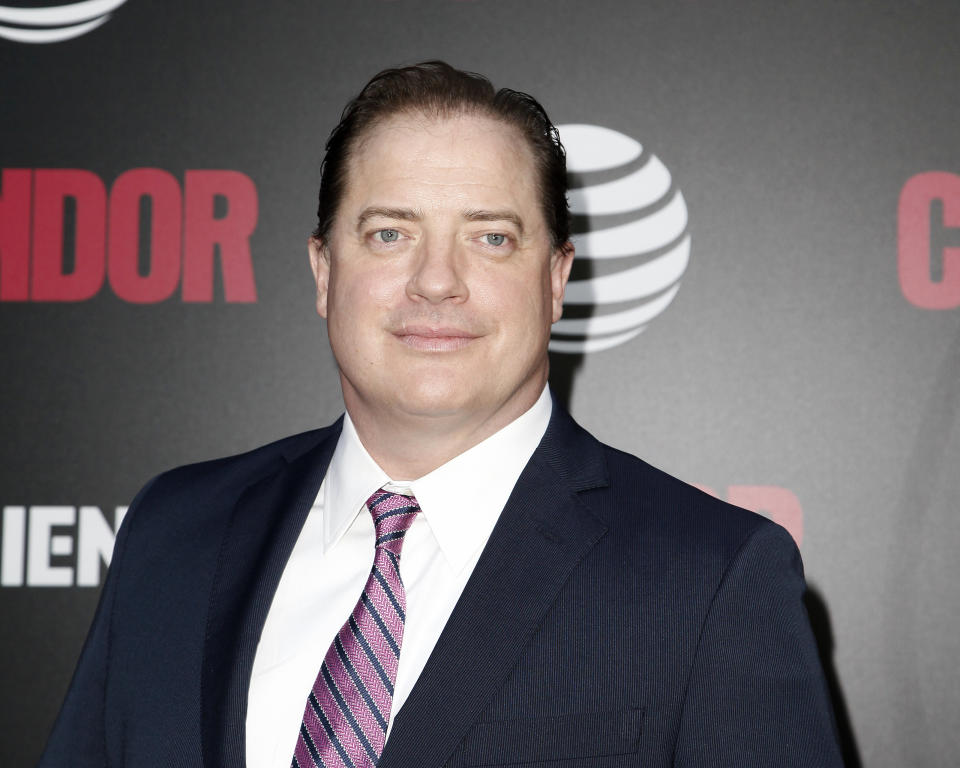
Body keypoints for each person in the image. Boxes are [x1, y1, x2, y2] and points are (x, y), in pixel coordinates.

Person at [40, 61, 843, 768]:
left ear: (556, 279)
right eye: (390, 234)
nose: (435, 282)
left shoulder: (712, 579)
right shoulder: (173, 532)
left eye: (490, 239)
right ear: (324, 270)